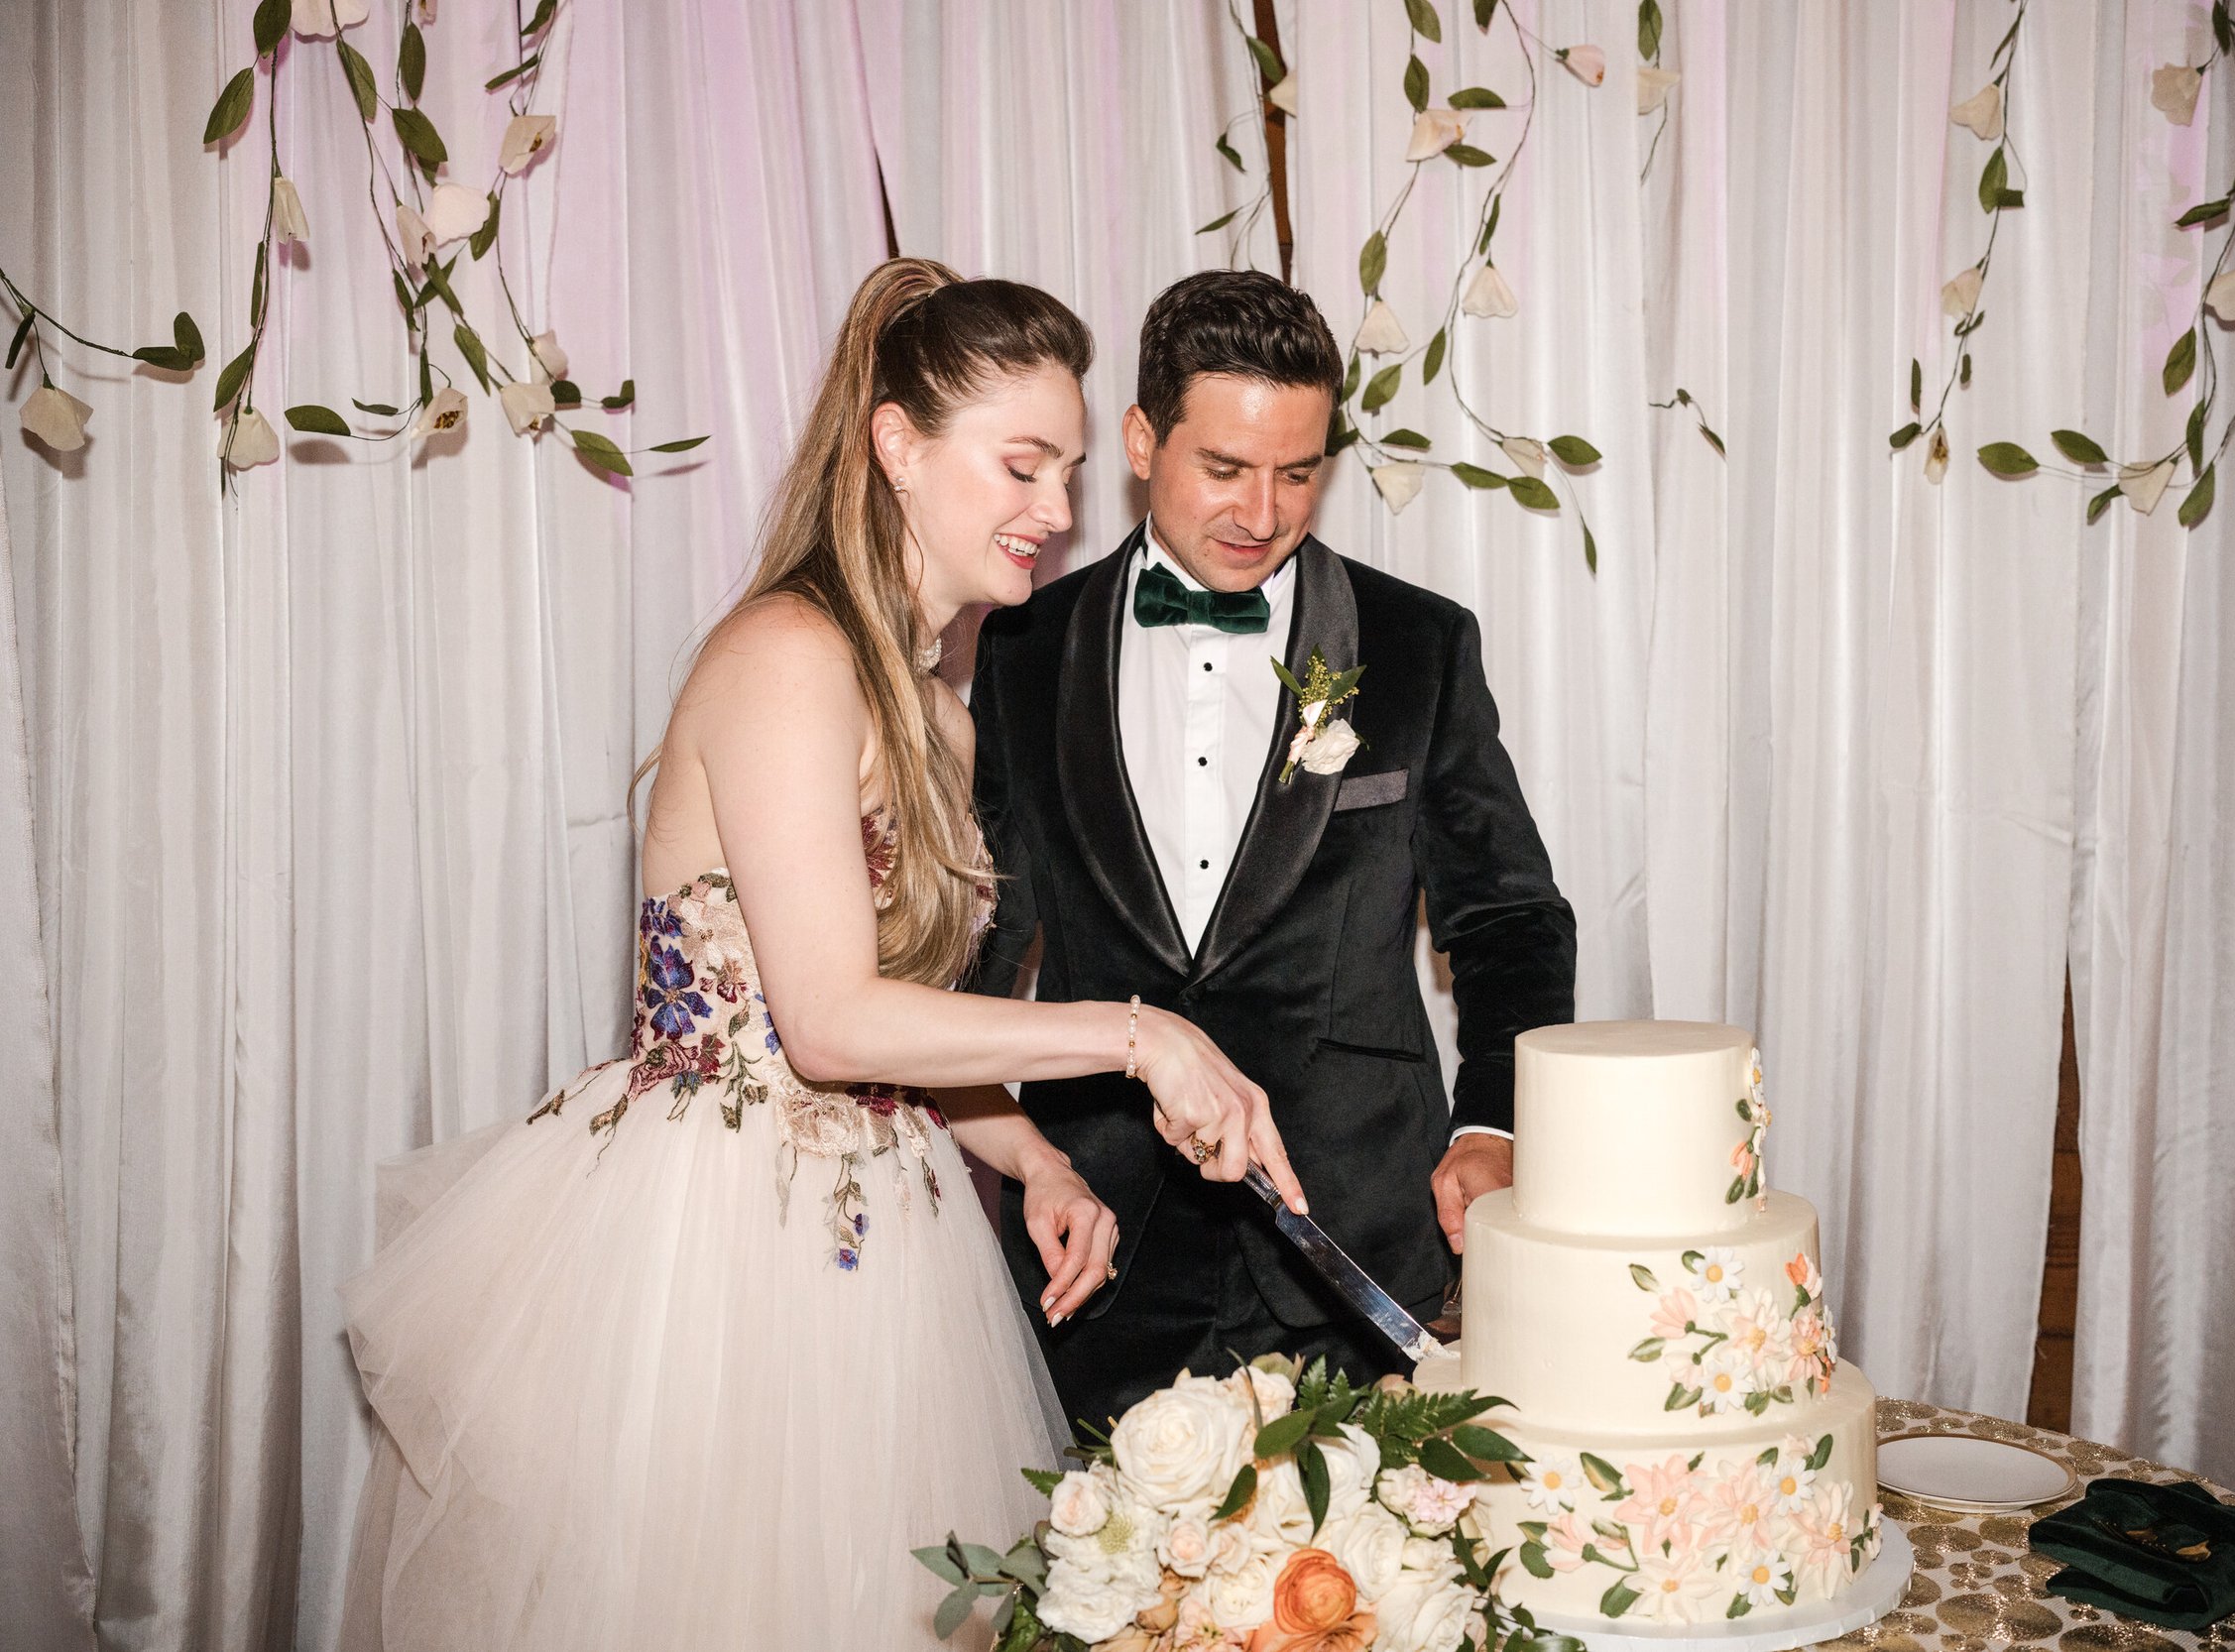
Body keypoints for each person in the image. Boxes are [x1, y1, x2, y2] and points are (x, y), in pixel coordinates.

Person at [335, 258, 1304, 1652]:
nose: (1058, 510)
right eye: (1022, 465)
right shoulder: (787, 654)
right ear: (899, 445)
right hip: (721, 1251)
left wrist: (1029, 1156)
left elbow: (904, 1019)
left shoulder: (941, 712)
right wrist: (1143, 1032)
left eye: (1073, 471)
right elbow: (831, 1023)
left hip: (887, 1249)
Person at [968, 269, 1577, 1435]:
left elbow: (1508, 919)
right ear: (1143, 440)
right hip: (1101, 1247)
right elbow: (989, 943)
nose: (1264, 510)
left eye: (1298, 473)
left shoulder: (1419, 644)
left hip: (1352, 1233)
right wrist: (1018, 1158)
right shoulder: (1021, 648)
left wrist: (1490, 1126)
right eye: (1226, 468)